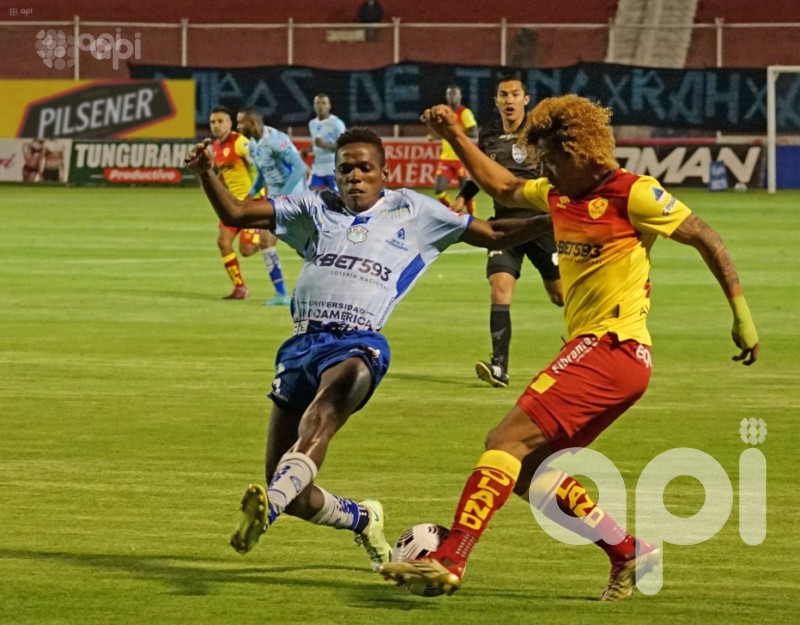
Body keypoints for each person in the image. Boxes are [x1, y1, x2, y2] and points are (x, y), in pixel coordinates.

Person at [379, 95, 760, 600]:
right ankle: (629, 551)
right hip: (603, 355)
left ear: (581, 151)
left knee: (504, 441)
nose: (547, 173)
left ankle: (451, 559)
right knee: (527, 472)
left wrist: (742, 316)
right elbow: (505, 186)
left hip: (613, 347)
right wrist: (453, 135)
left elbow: (706, 237)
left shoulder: (634, 193)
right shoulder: (560, 194)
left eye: (553, 161)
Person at [184, 127, 555, 575]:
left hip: (360, 343)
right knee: (295, 489)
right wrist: (207, 171)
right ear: (335, 175)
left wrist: (556, 217)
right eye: (346, 169)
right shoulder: (313, 207)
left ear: (384, 172)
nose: (355, 176)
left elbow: (494, 231)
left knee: (320, 419)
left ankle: (270, 510)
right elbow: (239, 212)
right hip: (301, 347)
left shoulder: (412, 210)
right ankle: (361, 518)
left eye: (364, 168)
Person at [452, 76, 563, 389]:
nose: (509, 100)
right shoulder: (489, 134)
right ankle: (499, 367)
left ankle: (595, 346)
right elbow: (479, 171)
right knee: (499, 287)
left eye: (515, 94)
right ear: (497, 101)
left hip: (542, 224)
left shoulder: (540, 133)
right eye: (504, 95)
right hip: (504, 226)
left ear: (526, 100)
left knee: (560, 296)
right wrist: (463, 197)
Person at [209, 105, 289, 302]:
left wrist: (267, 194)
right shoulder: (216, 147)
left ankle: (271, 233)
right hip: (232, 205)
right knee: (223, 242)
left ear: (230, 124)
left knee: (246, 250)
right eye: (213, 122)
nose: (216, 126)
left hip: (252, 203)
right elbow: (224, 174)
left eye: (221, 121)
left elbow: (262, 167)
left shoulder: (241, 143)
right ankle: (240, 288)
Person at [237, 105, 309, 306]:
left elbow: (300, 167)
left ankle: (329, 282)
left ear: (253, 122)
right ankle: (281, 295)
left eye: (241, 121)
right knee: (266, 242)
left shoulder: (277, 141)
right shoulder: (253, 145)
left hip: (296, 199)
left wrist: (284, 195)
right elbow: (262, 173)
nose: (238, 125)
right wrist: (250, 194)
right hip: (276, 200)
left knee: (306, 249)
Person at [428, 85, 479, 215]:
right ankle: (452, 211)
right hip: (446, 159)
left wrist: (456, 131)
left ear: (460, 96)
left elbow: (474, 132)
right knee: (439, 190)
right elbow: (445, 132)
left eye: (454, 94)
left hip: (461, 158)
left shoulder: (464, 113)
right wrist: (436, 136)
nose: (452, 97)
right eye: (449, 94)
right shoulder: (443, 113)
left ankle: (473, 218)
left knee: (465, 192)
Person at [302, 93, 346, 192]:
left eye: (323, 103)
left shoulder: (337, 123)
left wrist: (325, 145)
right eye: (317, 103)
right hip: (317, 168)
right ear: (314, 106)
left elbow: (344, 146)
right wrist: (308, 150)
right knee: (310, 196)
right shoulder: (312, 123)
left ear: (329, 106)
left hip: (333, 167)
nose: (320, 106)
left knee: (338, 198)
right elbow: (316, 145)